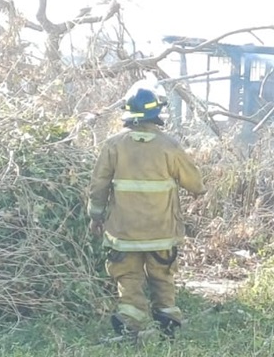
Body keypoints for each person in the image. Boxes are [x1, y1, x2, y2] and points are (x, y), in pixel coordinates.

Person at [87, 85, 206, 339]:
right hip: (161, 231)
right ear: (156, 114)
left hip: (124, 232)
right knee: (162, 277)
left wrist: (95, 217)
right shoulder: (169, 146)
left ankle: (131, 322)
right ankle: (167, 322)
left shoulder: (113, 146)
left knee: (127, 277)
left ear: (128, 114)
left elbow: (98, 186)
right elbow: (196, 185)